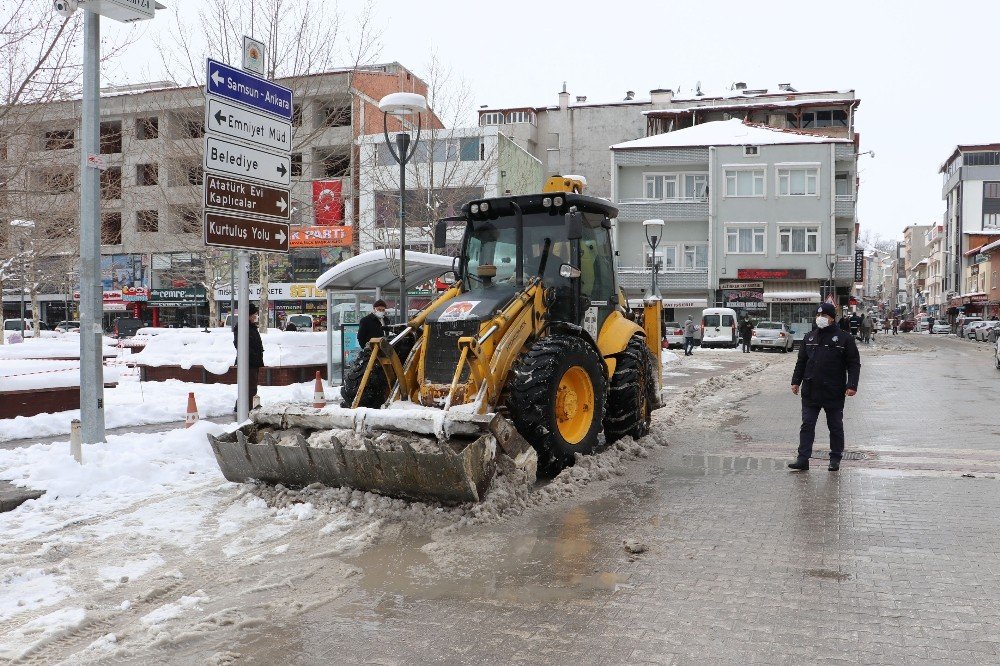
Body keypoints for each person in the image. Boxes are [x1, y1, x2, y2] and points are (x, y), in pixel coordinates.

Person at [788, 303, 861, 472]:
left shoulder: (844, 338)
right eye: (818, 315)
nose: (820, 319)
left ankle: (835, 459)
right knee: (807, 425)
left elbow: (853, 364)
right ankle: (803, 459)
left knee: (835, 426)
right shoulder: (809, 337)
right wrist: (795, 381)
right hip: (810, 390)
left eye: (824, 316)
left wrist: (852, 385)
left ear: (832, 318)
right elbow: (801, 362)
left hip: (833, 391)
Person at [232, 303, 265, 411]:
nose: (256, 316)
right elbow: (239, 344)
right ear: (248, 315)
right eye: (254, 314)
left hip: (253, 361)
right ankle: (246, 409)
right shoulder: (242, 327)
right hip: (248, 362)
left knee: (251, 387)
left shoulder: (251, 326)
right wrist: (253, 354)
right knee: (249, 387)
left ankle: (243, 407)